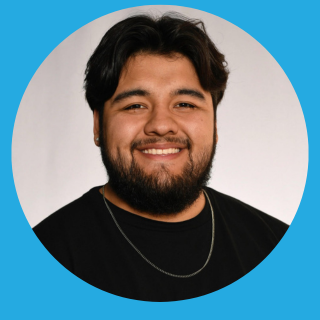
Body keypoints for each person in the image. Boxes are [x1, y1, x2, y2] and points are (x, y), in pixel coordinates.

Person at [34, 13, 288, 302]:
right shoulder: (43, 256)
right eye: (135, 105)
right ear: (97, 126)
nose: (161, 124)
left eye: (184, 104)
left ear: (215, 124)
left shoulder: (277, 247)